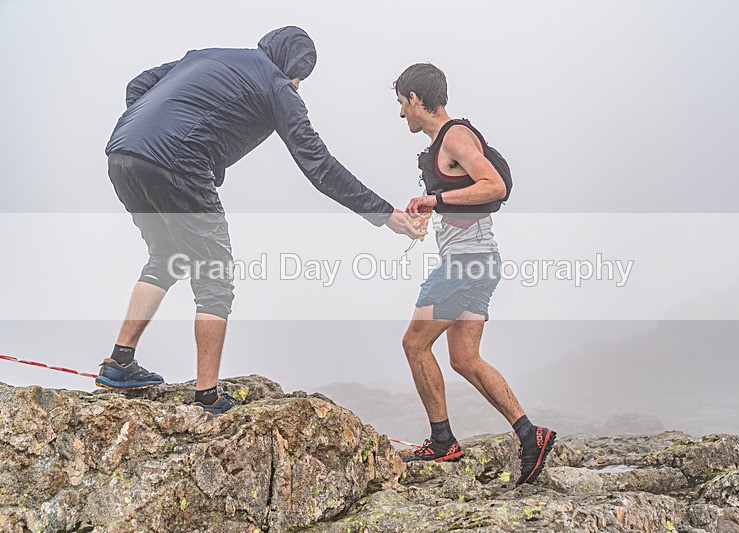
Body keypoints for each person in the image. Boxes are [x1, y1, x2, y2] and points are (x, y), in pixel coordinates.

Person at [97, 26, 422, 414]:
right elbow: (318, 165)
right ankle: (208, 395)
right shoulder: (276, 86)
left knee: (166, 256)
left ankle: (120, 363)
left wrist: (146, 127)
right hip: (176, 164)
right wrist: (384, 213)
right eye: (300, 74)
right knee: (214, 277)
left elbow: (139, 84)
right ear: (290, 65)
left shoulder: (206, 54)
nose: (298, 84)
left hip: (123, 153)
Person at [394, 63, 555, 486]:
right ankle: (530, 435)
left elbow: (494, 185)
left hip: (466, 263)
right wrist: (434, 210)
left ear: (415, 99)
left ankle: (443, 442)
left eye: (400, 104)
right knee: (464, 358)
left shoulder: (455, 136)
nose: (400, 115)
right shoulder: (442, 143)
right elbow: (466, 197)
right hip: (479, 258)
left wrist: (436, 198)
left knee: (414, 343)